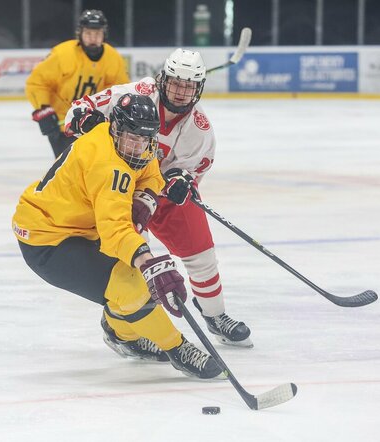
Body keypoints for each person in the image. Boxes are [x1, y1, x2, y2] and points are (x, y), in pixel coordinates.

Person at [12, 93, 223, 379]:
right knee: (134, 286)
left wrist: (152, 192)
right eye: (130, 138)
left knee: (126, 279)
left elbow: (149, 174)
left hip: (77, 224)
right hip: (47, 238)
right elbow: (114, 230)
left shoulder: (133, 142)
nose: (137, 146)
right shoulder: (106, 165)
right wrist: (149, 263)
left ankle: (121, 335)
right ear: (115, 129)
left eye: (144, 139)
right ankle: (179, 348)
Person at [65, 49, 253, 347]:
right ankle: (122, 328)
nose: (181, 92)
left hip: (161, 190)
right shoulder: (135, 94)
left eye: (189, 86)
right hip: (116, 187)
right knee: (131, 262)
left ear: (198, 88)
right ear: (162, 79)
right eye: (176, 83)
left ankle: (215, 314)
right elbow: (79, 109)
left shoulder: (199, 128)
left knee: (201, 253)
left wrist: (182, 181)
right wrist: (86, 122)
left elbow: (193, 169)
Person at [25, 9, 130, 158]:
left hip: (95, 122)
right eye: (88, 33)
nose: (93, 38)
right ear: (80, 33)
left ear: (104, 34)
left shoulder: (113, 58)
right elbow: (37, 83)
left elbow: (119, 91)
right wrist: (43, 109)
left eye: (97, 34)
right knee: (69, 168)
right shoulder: (63, 54)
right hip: (63, 123)